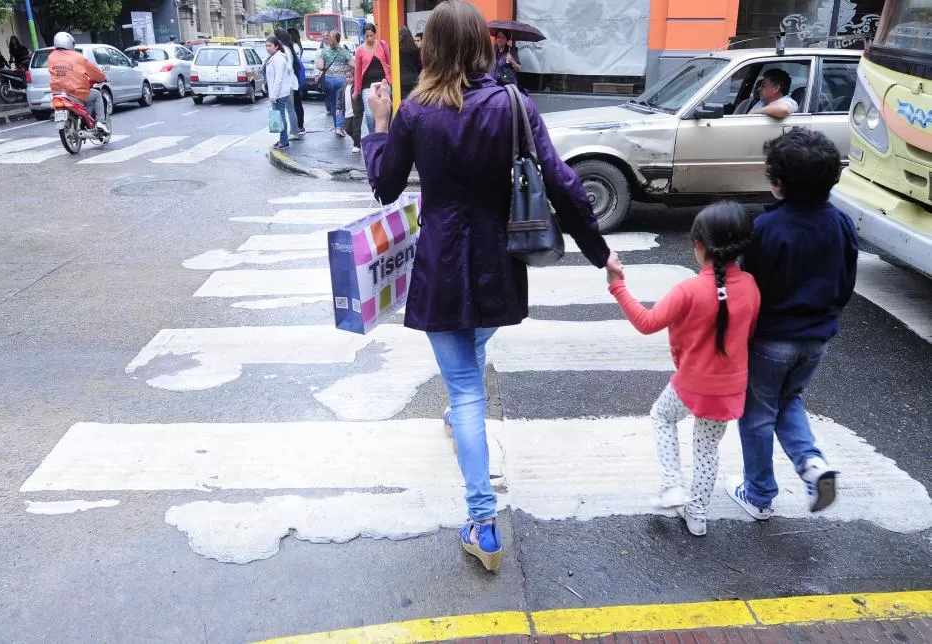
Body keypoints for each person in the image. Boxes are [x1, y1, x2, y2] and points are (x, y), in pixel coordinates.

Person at [362, 0, 612, 571]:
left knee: (466, 390)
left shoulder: (415, 113)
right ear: (481, 44)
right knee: (470, 370)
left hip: (443, 267)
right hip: (501, 262)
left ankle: (482, 520)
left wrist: (377, 125)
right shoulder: (513, 104)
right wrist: (600, 253)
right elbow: (565, 182)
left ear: (432, 48)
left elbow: (384, 185)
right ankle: (460, 426)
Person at [727, 128, 858, 520]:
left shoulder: (767, 229)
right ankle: (812, 465)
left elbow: (748, 287)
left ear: (777, 183)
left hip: (770, 339)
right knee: (788, 401)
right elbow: (846, 282)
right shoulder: (842, 223)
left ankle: (758, 494)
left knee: (757, 414)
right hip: (816, 338)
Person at [607, 203, 760, 537]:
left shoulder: (688, 289)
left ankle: (672, 484)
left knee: (662, 416)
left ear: (699, 247)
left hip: (691, 383)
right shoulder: (750, 285)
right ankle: (698, 516)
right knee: (707, 448)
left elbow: (647, 323)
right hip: (730, 388)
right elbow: (747, 334)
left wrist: (618, 285)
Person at [47, 32, 108, 133]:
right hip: (75, 92)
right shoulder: (78, 57)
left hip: (57, 93)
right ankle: (101, 122)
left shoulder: (51, 57)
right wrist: (102, 78)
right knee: (97, 94)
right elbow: (93, 71)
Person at [353, 23, 392, 135]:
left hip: (384, 83)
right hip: (367, 86)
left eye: (372, 35)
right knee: (370, 114)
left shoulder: (382, 44)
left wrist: (390, 81)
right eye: (367, 36)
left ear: (375, 34)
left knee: (385, 111)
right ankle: (373, 135)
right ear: (363, 36)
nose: (369, 38)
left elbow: (389, 64)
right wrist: (356, 90)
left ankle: (385, 135)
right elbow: (358, 71)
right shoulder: (359, 50)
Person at [316, 30, 353, 136]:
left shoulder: (323, 52)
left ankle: (336, 125)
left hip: (328, 80)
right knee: (340, 103)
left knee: (332, 103)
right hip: (341, 80)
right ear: (339, 39)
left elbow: (320, 66)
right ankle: (339, 127)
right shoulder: (344, 52)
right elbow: (353, 64)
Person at [263, 36, 297, 150]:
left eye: (270, 46)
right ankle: (283, 139)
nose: (267, 48)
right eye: (266, 46)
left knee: (281, 117)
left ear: (276, 46)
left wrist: (274, 95)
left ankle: (284, 141)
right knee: (279, 117)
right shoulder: (274, 57)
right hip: (278, 92)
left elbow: (278, 78)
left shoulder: (279, 59)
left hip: (279, 94)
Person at [287, 27, 307, 134]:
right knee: (297, 103)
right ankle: (300, 125)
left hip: (295, 77)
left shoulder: (294, 47)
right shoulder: (298, 46)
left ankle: (299, 126)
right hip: (297, 76)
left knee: (296, 103)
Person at [339, 69, 362, 152]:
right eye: (347, 77)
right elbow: (340, 97)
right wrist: (339, 108)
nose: (348, 79)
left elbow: (360, 97)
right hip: (347, 111)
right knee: (347, 129)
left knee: (356, 129)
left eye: (350, 77)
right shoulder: (344, 86)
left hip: (356, 112)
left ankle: (357, 145)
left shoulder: (357, 86)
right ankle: (357, 140)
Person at [398, 25, 422, 99]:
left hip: (400, 80)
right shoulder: (415, 50)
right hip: (414, 80)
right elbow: (419, 66)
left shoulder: (395, 50)